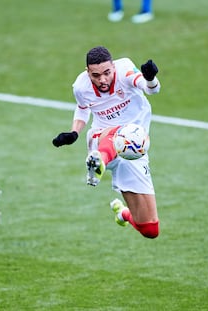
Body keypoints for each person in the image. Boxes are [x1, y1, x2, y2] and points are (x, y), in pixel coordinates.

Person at [52, 46, 161, 239]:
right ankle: (97, 164)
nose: (102, 80)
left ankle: (123, 213)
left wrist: (150, 78)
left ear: (113, 67)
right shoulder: (81, 86)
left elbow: (150, 89)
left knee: (150, 230)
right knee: (119, 133)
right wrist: (74, 133)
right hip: (101, 138)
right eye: (95, 75)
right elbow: (83, 109)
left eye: (106, 73)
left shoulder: (125, 69)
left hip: (134, 149)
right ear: (88, 72)